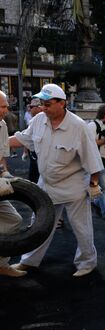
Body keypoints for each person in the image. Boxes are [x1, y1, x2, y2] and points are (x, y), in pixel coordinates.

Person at [8, 84, 104, 278]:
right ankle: (29, 261)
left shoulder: (78, 126)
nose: (44, 107)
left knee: (81, 227)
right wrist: (2, 141)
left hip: (74, 185)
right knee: (40, 225)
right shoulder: (38, 120)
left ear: (62, 103)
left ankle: (87, 262)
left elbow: (93, 159)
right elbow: (22, 139)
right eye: (42, 103)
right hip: (47, 185)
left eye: (48, 104)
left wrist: (94, 185)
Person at [0, 90, 25, 278]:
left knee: (13, 220)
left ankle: (1, 264)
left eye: (6, 105)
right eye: (2, 106)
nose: (7, 110)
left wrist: (5, 173)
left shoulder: (1, 125)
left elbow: (1, 158)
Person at [22, 98, 42, 183]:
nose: (30, 109)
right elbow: (26, 138)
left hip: (40, 157)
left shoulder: (42, 119)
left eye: (31, 106)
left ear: (38, 107)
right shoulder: (33, 120)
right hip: (33, 155)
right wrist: (25, 152)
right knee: (33, 177)